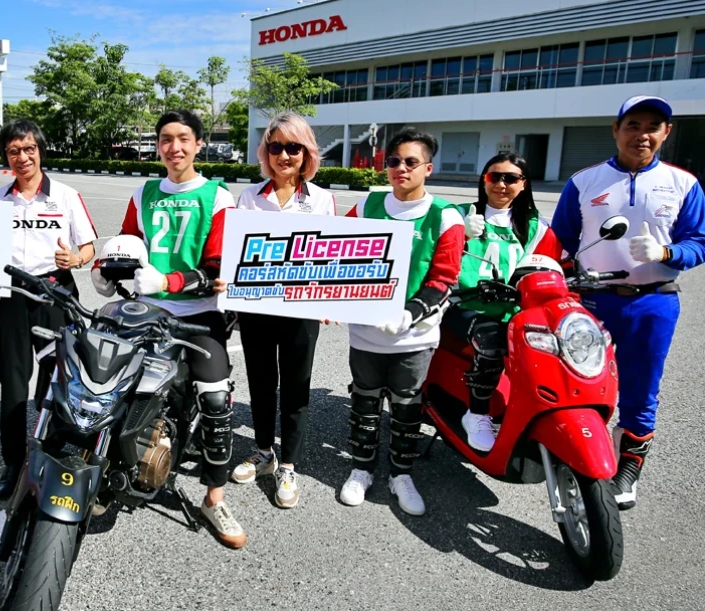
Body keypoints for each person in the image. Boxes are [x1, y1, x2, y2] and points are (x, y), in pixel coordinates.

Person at [92, 109, 246, 548]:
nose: (173, 147)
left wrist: (169, 281)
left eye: (183, 139)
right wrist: (105, 271)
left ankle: (214, 497)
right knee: (106, 377)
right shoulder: (143, 193)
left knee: (215, 399)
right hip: (147, 309)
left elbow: (217, 269)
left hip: (199, 312)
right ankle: (103, 463)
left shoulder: (218, 197)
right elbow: (126, 244)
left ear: (199, 144)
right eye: (165, 139)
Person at [551, 95, 705, 511]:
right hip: (591, 300)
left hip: (654, 302)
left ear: (666, 133)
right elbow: (559, 240)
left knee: (641, 390)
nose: (642, 135)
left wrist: (667, 253)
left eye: (653, 126)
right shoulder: (585, 181)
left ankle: (628, 470)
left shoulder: (683, 184)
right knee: (580, 383)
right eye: (633, 125)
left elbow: (699, 242)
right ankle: (581, 458)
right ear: (616, 130)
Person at [338, 128, 464, 517]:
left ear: (428, 168)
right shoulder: (366, 206)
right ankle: (361, 469)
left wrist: (409, 313)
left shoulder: (445, 216)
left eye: (411, 162)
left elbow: (444, 279)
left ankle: (401, 474)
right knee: (364, 401)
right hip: (366, 333)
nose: (401, 169)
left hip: (415, 335)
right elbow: (337, 256)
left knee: (408, 408)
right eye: (394, 161)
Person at [0, 119, 98, 499]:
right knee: (13, 382)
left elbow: (89, 247)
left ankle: (49, 450)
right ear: (6, 157)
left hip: (55, 294)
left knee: (56, 377)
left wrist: (75, 258)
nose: (23, 157)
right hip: (11, 295)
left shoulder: (65, 196)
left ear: (40, 150)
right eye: (14, 151)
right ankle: (13, 461)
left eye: (29, 149)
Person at [230, 112, 335, 509]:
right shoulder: (249, 197)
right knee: (260, 381)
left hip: (301, 310)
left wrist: (328, 298)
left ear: (306, 153)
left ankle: (288, 464)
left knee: (295, 386)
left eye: (294, 147)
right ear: (266, 152)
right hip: (257, 308)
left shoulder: (320, 199)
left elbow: (330, 256)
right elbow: (240, 253)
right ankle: (263, 451)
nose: (284, 155)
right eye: (276, 147)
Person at [445, 154, 562, 452]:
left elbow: (549, 267)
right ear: (483, 180)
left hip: (512, 309)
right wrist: (460, 233)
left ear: (523, 185)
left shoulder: (536, 227)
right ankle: (477, 414)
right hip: (462, 304)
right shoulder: (458, 214)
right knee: (493, 339)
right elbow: (430, 252)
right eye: (493, 177)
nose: (500, 184)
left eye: (510, 178)